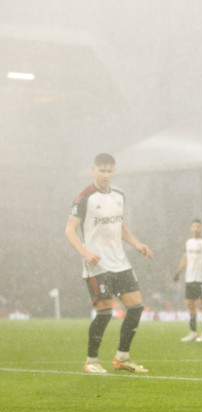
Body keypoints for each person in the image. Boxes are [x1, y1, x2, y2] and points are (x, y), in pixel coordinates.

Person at [65, 153, 153, 374]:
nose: (105, 175)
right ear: (93, 170)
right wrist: (85, 252)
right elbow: (69, 230)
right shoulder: (84, 198)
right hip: (98, 265)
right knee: (105, 312)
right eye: (101, 170)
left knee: (136, 307)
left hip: (120, 263)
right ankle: (91, 360)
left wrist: (135, 243)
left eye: (109, 171)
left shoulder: (119, 195)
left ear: (114, 171)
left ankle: (122, 357)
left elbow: (119, 224)